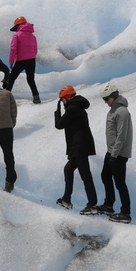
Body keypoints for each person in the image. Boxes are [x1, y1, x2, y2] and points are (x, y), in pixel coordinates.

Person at [54, 85, 99, 215]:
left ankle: (92, 205)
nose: (62, 102)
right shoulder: (77, 107)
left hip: (79, 147)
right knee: (68, 170)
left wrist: (57, 111)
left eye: (62, 99)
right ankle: (66, 199)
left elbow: (59, 125)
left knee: (86, 175)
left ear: (67, 97)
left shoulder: (73, 109)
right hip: (79, 146)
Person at [98, 81, 133, 223]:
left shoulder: (122, 111)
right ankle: (108, 205)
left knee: (119, 182)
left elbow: (122, 136)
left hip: (119, 153)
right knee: (105, 176)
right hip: (112, 151)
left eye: (106, 99)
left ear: (113, 95)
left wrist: (114, 155)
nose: (105, 102)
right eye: (103, 100)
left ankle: (126, 213)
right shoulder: (113, 109)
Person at [7, 16, 40, 104]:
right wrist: (31, 57)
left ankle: (6, 97)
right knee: (30, 79)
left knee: (12, 78)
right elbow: (35, 49)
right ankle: (36, 97)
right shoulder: (33, 36)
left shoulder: (17, 35)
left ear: (18, 26)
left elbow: (13, 49)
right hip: (32, 60)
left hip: (21, 60)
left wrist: (11, 61)